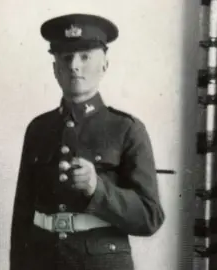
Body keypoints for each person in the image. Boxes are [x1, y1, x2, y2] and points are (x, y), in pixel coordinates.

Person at [10, 13, 165, 270]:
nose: (74, 65)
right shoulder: (38, 129)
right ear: (55, 68)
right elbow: (21, 217)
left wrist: (98, 189)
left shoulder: (127, 129)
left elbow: (150, 217)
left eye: (85, 56)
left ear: (104, 64)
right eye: (66, 57)